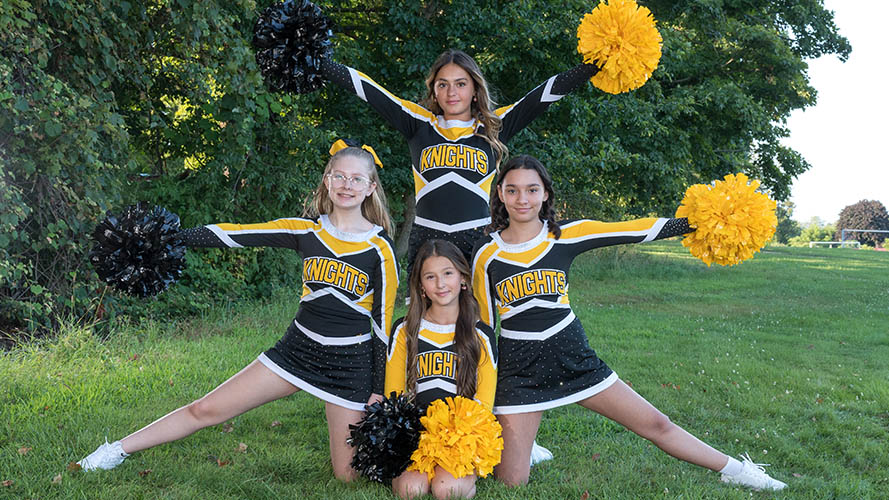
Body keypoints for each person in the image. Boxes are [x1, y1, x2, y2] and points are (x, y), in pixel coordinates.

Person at [77, 142, 399, 482]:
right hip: (296, 352)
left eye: (357, 179)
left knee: (348, 477)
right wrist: (172, 237)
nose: (347, 185)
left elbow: (382, 323)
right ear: (327, 181)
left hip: (349, 366)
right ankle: (115, 451)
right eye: (339, 176)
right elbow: (237, 234)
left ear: (370, 188)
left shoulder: (380, 249)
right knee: (205, 409)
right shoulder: (305, 231)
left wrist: (377, 387)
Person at [471, 154, 787, 491]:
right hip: (521, 369)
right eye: (513, 190)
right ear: (501, 195)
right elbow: (485, 330)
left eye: (532, 190)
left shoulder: (567, 235)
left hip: (572, 356)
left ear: (546, 194)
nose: (523, 199)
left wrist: (700, 223)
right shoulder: (486, 252)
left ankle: (738, 470)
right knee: (512, 483)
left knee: (656, 424)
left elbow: (633, 229)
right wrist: (481, 396)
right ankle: (526, 443)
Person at [322, 50, 598, 270]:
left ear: (475, 90)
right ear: (434, 91)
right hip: (427, 238)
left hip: (476, 239)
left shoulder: (494, 126)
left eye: (461, 84)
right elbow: (369, 90)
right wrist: (321, 62)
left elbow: (543, 95)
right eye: (443, 85)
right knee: (425, 325)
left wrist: (594, 65)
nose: (452, 92)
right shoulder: (418, 124)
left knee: (474, 325)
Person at [385, 239, 498, 499]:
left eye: (448, 273)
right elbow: (394, 396)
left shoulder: (480, 334)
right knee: (410, 490)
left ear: (462, 278)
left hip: (463, 437)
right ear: (421, 286)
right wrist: (409, 437)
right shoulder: (405, 330)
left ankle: (459, 477)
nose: (440, 284)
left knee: (448, 490)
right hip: (416, 433)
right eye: (430, 276)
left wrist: (456, 441)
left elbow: (483, 404)